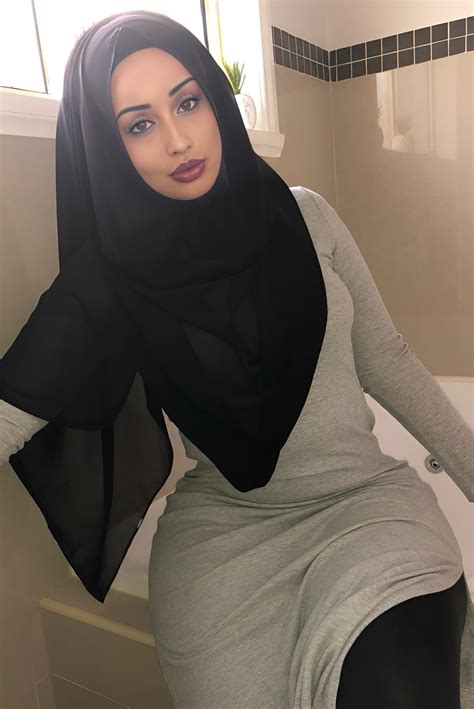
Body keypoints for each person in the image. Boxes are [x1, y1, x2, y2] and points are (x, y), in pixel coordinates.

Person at [0, 10, 472, 709]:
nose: (178, 139)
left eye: (188, 102)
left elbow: (388, 359)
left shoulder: (306, 216)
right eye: (139, 124)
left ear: (215, 101)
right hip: (224, 540)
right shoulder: (108, 281)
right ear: (107, 146)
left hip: (366, 511)